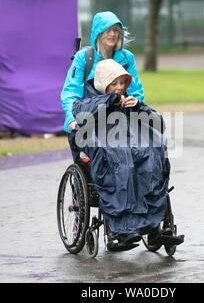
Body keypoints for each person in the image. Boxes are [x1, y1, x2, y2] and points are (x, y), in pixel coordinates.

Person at [70, 59, 184, 252]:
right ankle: (118, 231)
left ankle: (154, 228)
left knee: (151, 165)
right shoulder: (88, 101)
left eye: (122, 83)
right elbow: (80, 113)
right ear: (103, 85)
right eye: (114, 83)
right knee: (122, 167)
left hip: (133, 149)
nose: (119, 88)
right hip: (109, 151)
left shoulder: (131, 100)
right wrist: (110, 101)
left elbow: (160, 124)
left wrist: (140, 106)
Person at [61, 11, 144, 134]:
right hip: (87, 127)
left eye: (115, 30)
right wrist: (71, 119)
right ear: (98, 33)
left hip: (118, 128)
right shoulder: (83, 57)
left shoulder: (127, 58)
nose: (113, 34)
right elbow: (70, 93)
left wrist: (137, 105)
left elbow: (135, 92)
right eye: (107, 30)